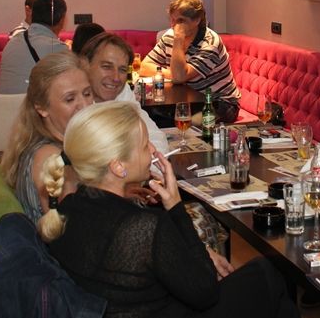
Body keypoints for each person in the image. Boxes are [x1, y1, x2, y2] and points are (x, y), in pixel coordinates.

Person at [40, 101, 304, 318]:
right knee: (269, 275)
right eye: (144, 146)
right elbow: (206, 292)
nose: (152, 152)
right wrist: (176, 207)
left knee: (268, 291)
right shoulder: (144, 227)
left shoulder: (65, 210)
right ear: (118, 167)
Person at [82, 32, 231, 259]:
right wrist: (129, 184)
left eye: (122, 69)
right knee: (196, 223)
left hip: (129, 196)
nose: (115, 77)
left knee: (204, 213)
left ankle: (205, 267)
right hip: (102, 217)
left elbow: (154, 137)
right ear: (85, 65)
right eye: (106, 66)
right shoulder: (76, 106)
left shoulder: (121, 93)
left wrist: (147, 179)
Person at [0, 52, 93, 224]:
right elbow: (71, 228)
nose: (85, 105)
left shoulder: (44, 144)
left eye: (87, 94)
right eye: (70, 99)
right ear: (42, 108)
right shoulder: (52, 158)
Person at [141, 0, 241, 123]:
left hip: (220, 103)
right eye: (172, 20)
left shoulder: (210, 43)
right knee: (147, 115)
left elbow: (180, 77)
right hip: (187, 100)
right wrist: (173, 74)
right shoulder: (169, 36)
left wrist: (178, 39)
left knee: (183, 123)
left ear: (197, 20)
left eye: (181, 21)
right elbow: (144, 66)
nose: (174, 26)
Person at [0, 0, 69, 94]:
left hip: (1, 103)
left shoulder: (12, 42)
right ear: (62, 20)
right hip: (29, 103)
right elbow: (68, 85)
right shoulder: (57, 48)